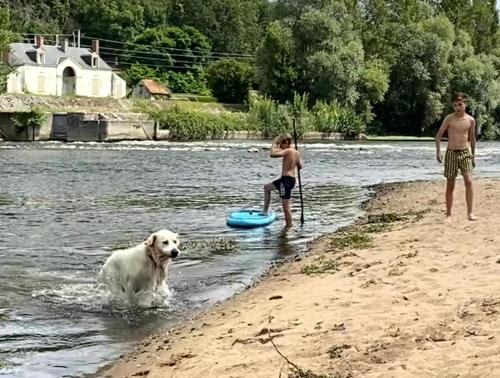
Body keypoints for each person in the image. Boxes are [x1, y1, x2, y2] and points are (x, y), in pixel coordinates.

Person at [435, 92, 477, 221]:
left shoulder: (470, 120)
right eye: (455, 105)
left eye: (460, 105)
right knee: (450, 185)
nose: (457, 107)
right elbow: (438, 136)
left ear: (465, 104)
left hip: (465, 152)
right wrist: (438, 152)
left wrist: (473, 156)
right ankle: (448, 214)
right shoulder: (449, 119)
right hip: (451, 153)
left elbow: (472, 139)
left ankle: (470, 213)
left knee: (469, 182)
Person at [262, 133, 303, 228]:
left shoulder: (288, 151)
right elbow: (300, 166)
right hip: (290, 180)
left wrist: (273, 143)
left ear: (286, 142)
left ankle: (289, 227)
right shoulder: (296, 152)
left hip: (286, 181)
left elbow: (272, 154)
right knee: (267, 187)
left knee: (286, 206)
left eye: (280, 144)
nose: (280, 146)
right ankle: (265, 211)